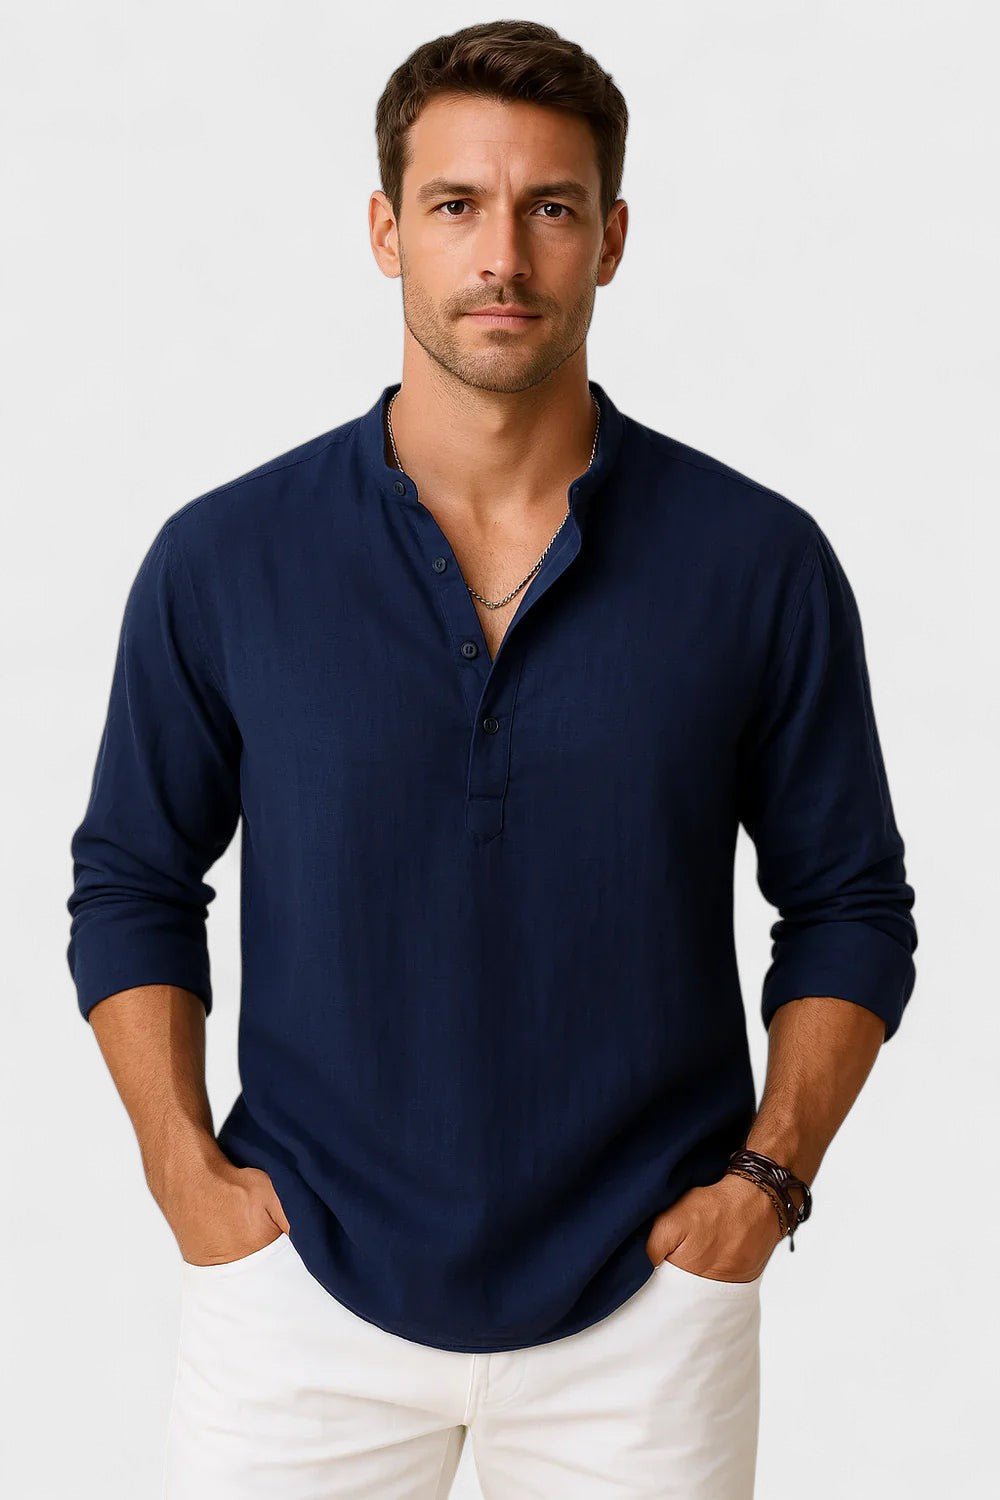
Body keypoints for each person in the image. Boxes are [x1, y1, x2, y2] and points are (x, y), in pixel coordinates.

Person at [65, 19, 918, 1500]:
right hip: (297, 1302)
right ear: (386, 229)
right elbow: (133, 880)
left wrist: (766, 1188)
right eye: (457, 205)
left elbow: (850, 905)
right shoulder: (225, 560)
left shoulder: (756, 563)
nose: (503, 258)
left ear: (613, 240)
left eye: (552, 209)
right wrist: (181, 1170)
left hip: (648, 1314)